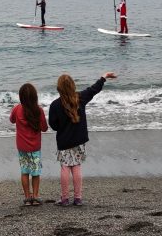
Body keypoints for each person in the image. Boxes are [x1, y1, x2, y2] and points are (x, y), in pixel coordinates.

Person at [48, 72, 117, 206]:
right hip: (79, 141)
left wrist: (62, 126)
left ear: (59, 88)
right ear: (73, 85)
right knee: (77, 166)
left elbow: (53, 125)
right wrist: (103, 78)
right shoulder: (80, 98)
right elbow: (93, 89)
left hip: (64, 141)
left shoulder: (55, 105)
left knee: (65, 168)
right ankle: (78, 198)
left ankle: (65, 198)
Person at [10, 83, 49, 206]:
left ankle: (27, 197)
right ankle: (36, 196)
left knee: (25, 171)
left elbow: (11, 120)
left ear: (21, 97)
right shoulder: (39, 110)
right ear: (35, 97)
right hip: (35, 147)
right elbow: (44, 128)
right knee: (36, 172)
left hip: (22, 147)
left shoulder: (17, 109)